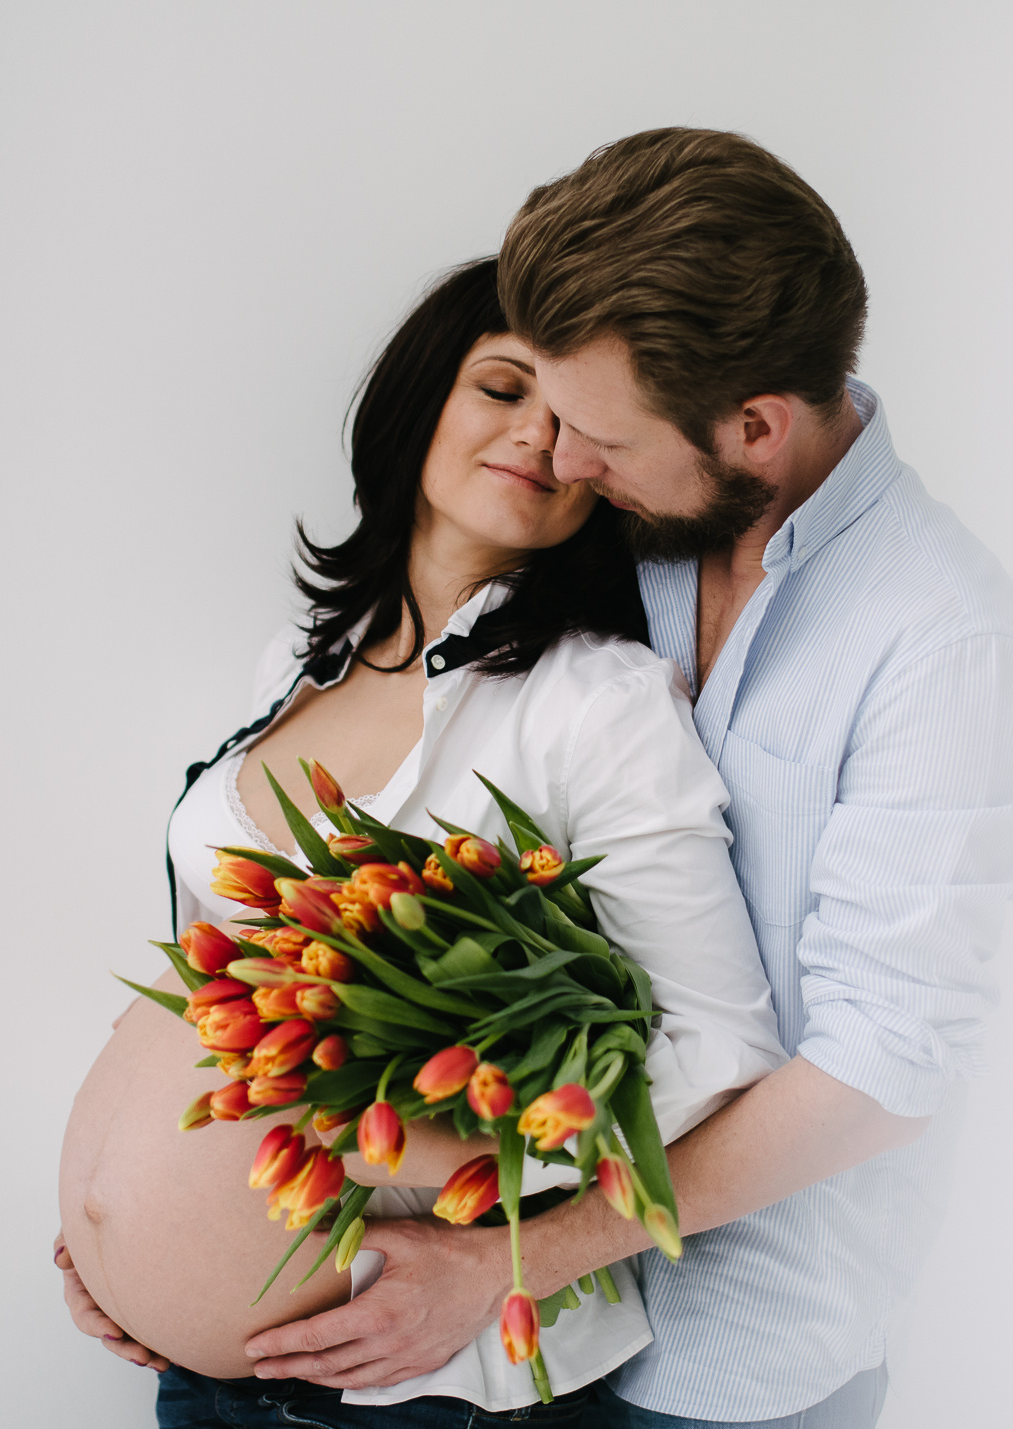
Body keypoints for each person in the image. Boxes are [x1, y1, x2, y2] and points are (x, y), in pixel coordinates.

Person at [241, 130, 1013, 1429]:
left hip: (729, 1358)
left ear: (756, 427)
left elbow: (877, 1072)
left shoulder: (941, 646)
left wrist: (512, 1257)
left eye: (599, 437)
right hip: (520, 1341)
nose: (562, 463)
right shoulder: (650, 527)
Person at [55, 256, 790, 1424]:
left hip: (412, 1385)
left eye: (575, 421)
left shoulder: (593, 704)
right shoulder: (302, 660)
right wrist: (110, 1231)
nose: (537, 435)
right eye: (502, 388)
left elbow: (719, 1046)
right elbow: (223, 976)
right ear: (417, 401)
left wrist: (457, 1168)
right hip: (201, 1378)